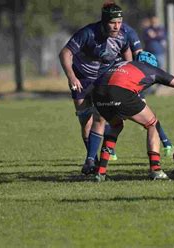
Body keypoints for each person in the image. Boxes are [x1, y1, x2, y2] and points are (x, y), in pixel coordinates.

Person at [90, 51, 174, 181]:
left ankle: (100, 172)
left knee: (116, 126)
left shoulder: (122, 64)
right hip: (119, 92)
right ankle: (155, 170)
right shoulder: (152, 69)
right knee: (153, 124)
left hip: (97, 93)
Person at [59, 2, 133, 168]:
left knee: (106, 116)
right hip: (82, 79)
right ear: (104, 21)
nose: (116, 26)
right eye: (112, 22)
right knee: (85, 120)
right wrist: (71, 77)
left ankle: (92, 159)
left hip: (105, 78)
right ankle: (92, 159)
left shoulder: (123, 35)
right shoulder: (87, 33)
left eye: (119, 22)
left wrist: (129, 74)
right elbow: (65, 53)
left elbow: (127, 52)